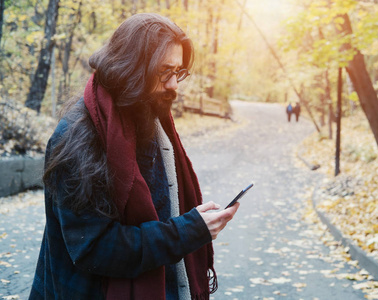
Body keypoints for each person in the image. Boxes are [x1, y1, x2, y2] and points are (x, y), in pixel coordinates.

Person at [29, 13, 239, 300]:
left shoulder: (148, 116)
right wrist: (189, 231)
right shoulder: (78, 137)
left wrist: (194, 225)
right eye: (164, 71)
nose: (174, 85)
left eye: (178, 72)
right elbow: (94, 248)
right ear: (131, 68)